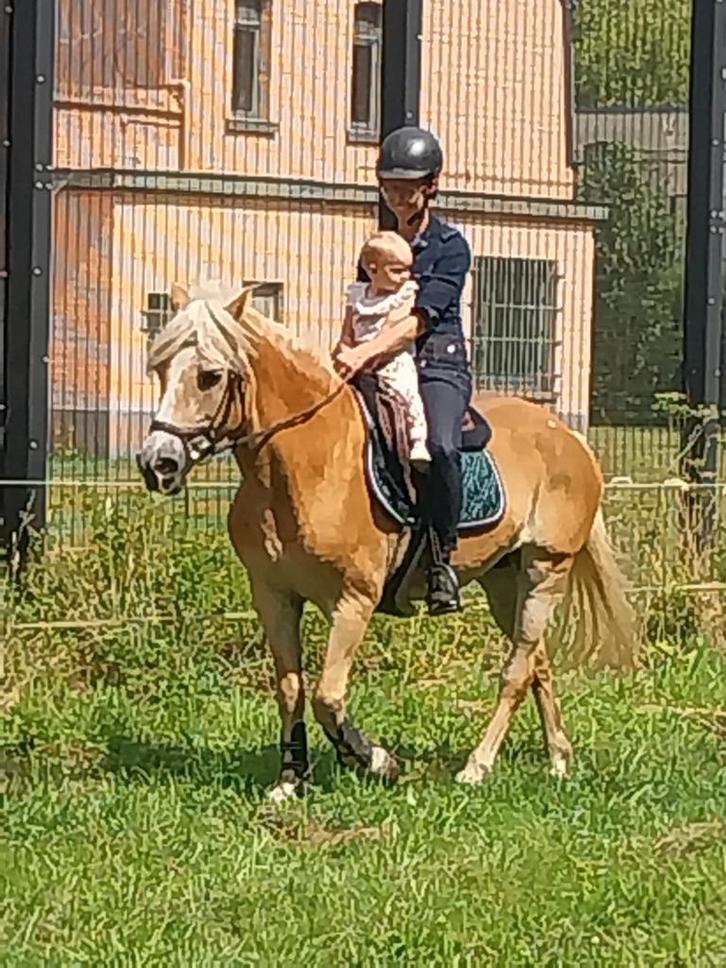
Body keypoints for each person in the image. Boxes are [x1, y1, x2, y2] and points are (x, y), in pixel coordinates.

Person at [333, 126, 473, 616]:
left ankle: (441, 561)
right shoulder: (380, 245)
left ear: (431, 186)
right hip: (376, 359)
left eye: (406, 188)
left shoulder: (451, 246)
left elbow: (417, 320)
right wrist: (344, 350)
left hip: (435, 361)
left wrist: (362, 355)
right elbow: (361, 307)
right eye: (388, 187)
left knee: (440, 446)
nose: (395, 197)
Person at [336, 231, 431, 468]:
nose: (405, 276)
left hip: (390, 360)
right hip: (356, 360)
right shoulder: (357, 295)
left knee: (407, 392)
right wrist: (344, 352)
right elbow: (347, 332)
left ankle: (418, 439)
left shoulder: (404, 295)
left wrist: (367, 355)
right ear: (373, 269)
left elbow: (390, 332)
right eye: (397, 270)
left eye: (407, 269)